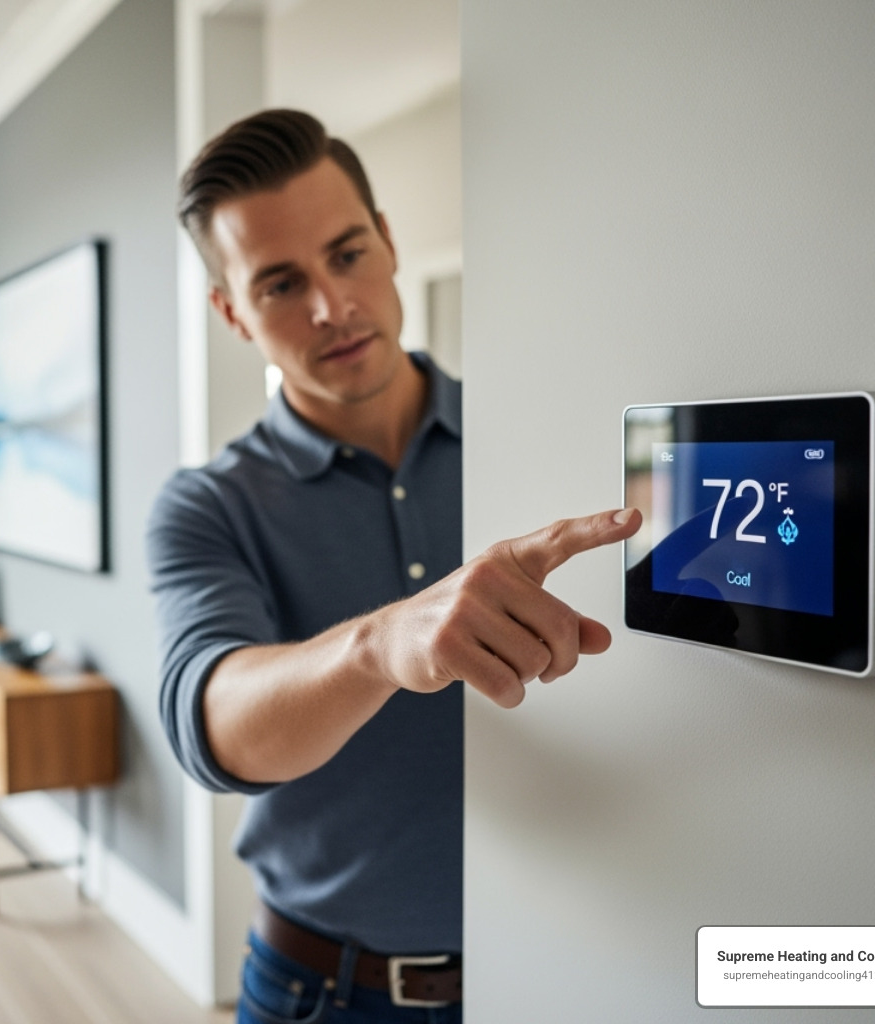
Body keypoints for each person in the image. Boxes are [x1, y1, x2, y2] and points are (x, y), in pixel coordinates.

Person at [147, 109, 639, 1022]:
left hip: (578, 967)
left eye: (347, 253)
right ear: (231, 312)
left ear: (389, 240)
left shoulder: (548, 429)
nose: (332, 307)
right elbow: (212, 722)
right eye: (281, 284)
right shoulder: (206, 505)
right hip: (325, 994)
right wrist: (380, 644)